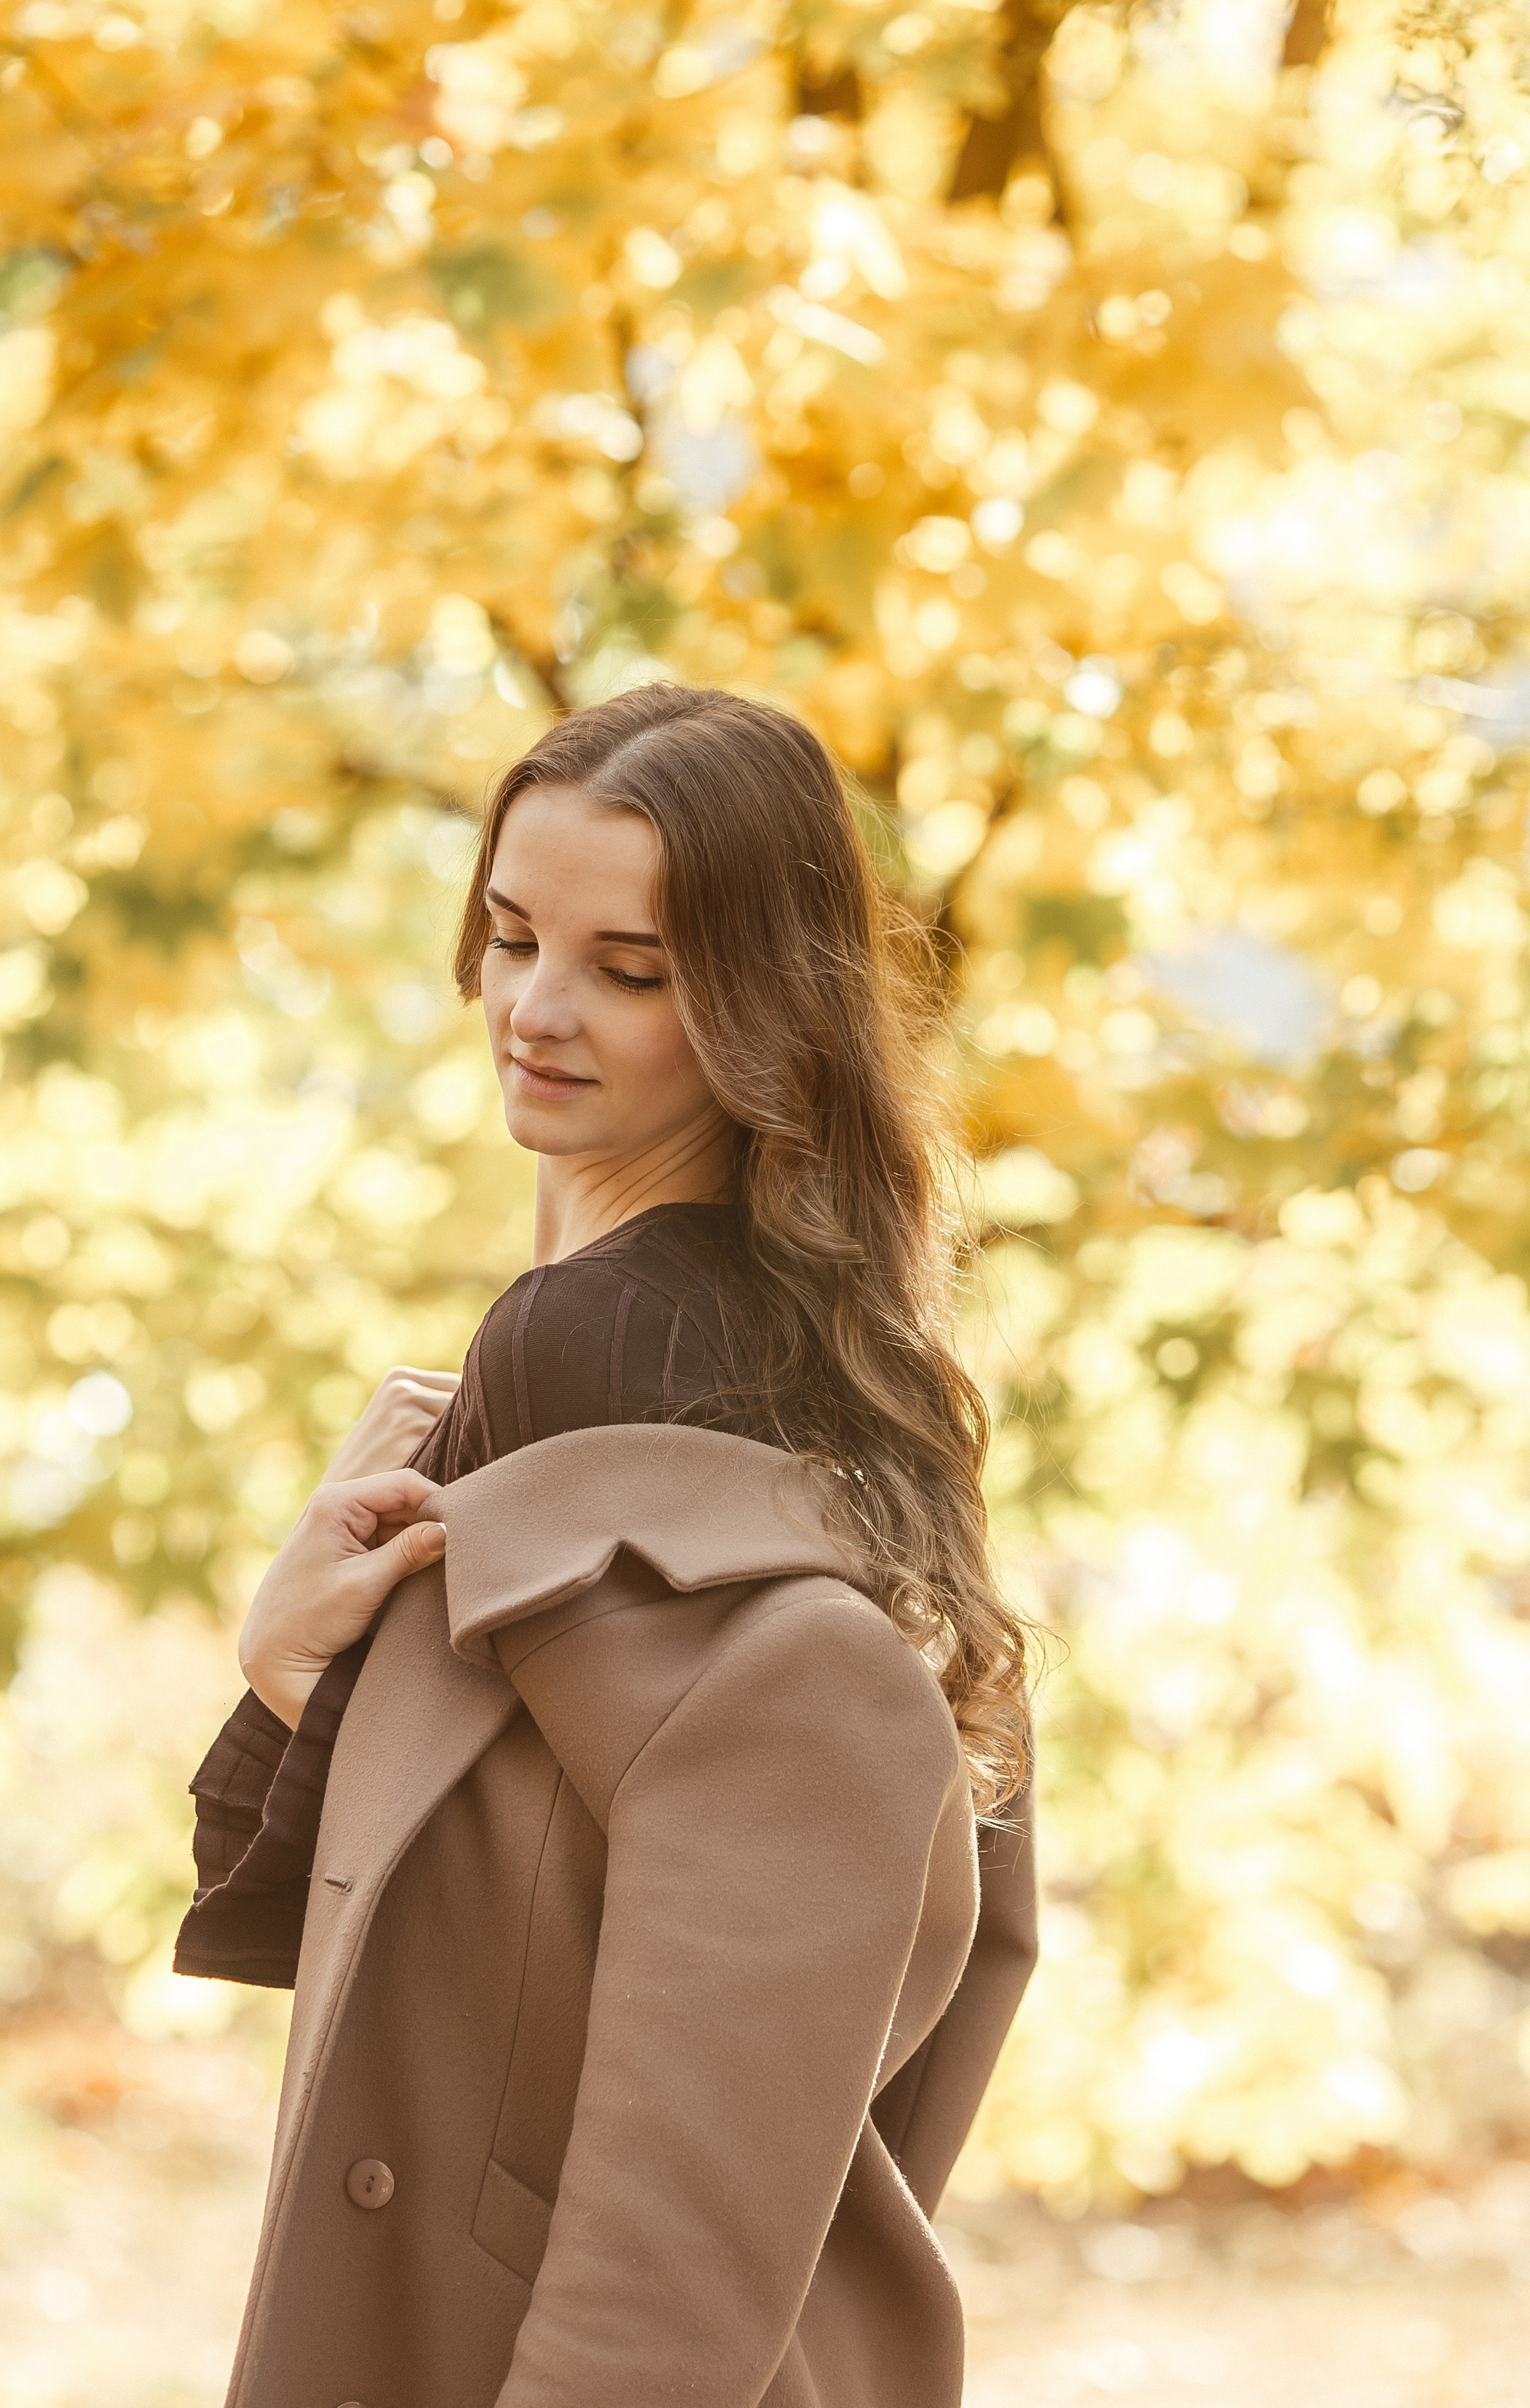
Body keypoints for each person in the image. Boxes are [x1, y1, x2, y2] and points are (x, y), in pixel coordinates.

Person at [175, 684, 1037, 2408]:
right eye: (509, 938)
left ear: (761, 1004)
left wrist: (292, 1680)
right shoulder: (861, 1384)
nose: (535, 1010)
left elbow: (670, 2074)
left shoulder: (593, 1346)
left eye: (629, 971)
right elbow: (443, 1901)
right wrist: (290, 1665)